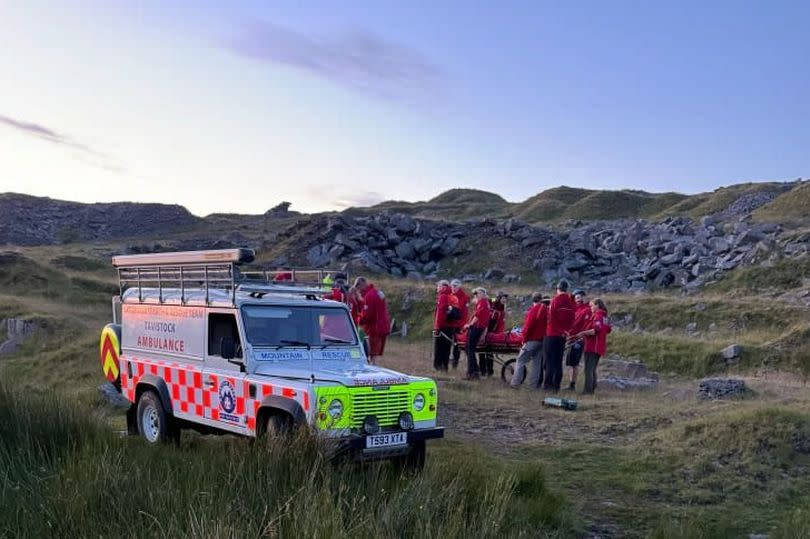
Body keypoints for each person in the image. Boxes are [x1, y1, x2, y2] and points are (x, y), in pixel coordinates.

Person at [543, 279, 576, 392]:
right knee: (558, 362)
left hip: (552, 334)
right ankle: (556, 386)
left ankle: (548, 386)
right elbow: (573, 318)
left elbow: (550, 318)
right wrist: (566, 331)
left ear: (557, 289)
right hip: (563, 336)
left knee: (549, 361)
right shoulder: (571, 302)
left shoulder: (555, 300)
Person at [574, 298, 611, 394]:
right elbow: (608, 329)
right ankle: (592, 387)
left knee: (588, 369)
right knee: (593, 368)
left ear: (597, 305)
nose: (590, 308)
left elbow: (595, 330)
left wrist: (583, 333)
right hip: (599, 346)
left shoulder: (598, 316)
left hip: (593, 346)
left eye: (591, 306)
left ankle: (588, 390)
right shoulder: (605, 317)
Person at [510, 292, 547, 389]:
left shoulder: (534, 310)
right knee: (537, 364)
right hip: (542, 340)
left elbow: (528, 326)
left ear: (533, 299)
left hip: (531, 340)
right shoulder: (546, 310)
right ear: (541, 299)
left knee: (520, 360)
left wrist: (523, 339)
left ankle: (515, 383)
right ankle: (533, 386)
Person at [354, 277, 391, 364]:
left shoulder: (369, 296)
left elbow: (367, 316)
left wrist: (357, 319)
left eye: (358, 287)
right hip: (383, 327)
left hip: (374, 329)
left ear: (362, 285)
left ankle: (374, 373)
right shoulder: (377, 292)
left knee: (372, 355)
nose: (358, 290)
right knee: (376, 354)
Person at [565, 290, 592, 391]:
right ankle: (571, 383)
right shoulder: (576, 309)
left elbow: (576, 324)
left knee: (573, 363)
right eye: (576, 298)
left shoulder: (585, 310)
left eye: (579, 298)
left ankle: (572, 384)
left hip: (577, 339)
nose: (577, 300)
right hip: (572, 338)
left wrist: (569, 332)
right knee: (570, 362)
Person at [463, 287, 490, 380]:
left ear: (482, 294)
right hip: (480, 328)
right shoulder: (485, 303)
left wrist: (469, 325)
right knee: (468, 348)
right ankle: (474, 369)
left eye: (477, 293)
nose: (476, 295)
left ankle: (472, 372)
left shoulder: (482, 302)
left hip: (476, 328)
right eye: (476, 293)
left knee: (470, 349)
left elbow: (478, 316)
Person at [480, 291, 508, 377]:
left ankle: (488, 371)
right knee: (483, 352)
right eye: (503, 298)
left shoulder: (501, 308)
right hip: (490, 333)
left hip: (494, 334)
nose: (505, 300)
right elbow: (491, 323)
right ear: (499, 298)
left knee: (488, 353)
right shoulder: (495, 309)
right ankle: (484, 371)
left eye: (505, 299)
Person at [433, 280, 455, 372]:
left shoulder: (442, 297)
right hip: (450, 326)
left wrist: (437, 327)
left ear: (443, 287)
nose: (437, 288)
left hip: (442, 326)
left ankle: (438, 365)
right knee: (447, 347)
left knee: (439, 347)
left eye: (438, 286)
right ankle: (445, 366)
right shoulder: (452, 296)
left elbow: (440, 314)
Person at [450, 279, 469, 369]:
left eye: (455, 286)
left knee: (458, 345)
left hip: (460, 325)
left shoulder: (463, 297)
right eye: (452, 285)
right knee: (453, 344)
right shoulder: (451, 295)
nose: (453, 287)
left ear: (459, 286)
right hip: (452, 324)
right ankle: (453, 363)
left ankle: (455, 364)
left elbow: (459, 311)